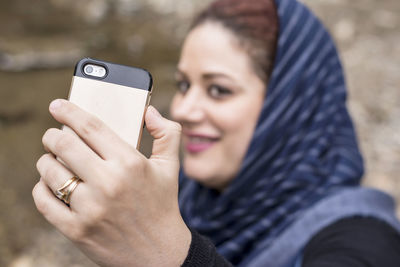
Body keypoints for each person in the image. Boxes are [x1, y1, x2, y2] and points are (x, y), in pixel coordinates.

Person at [33, 0, 400, 266]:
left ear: (292, 104)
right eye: (183, 84)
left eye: (218, 89)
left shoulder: (363, 243)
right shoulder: (187, 203)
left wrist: (168, 252)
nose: (183, 110)